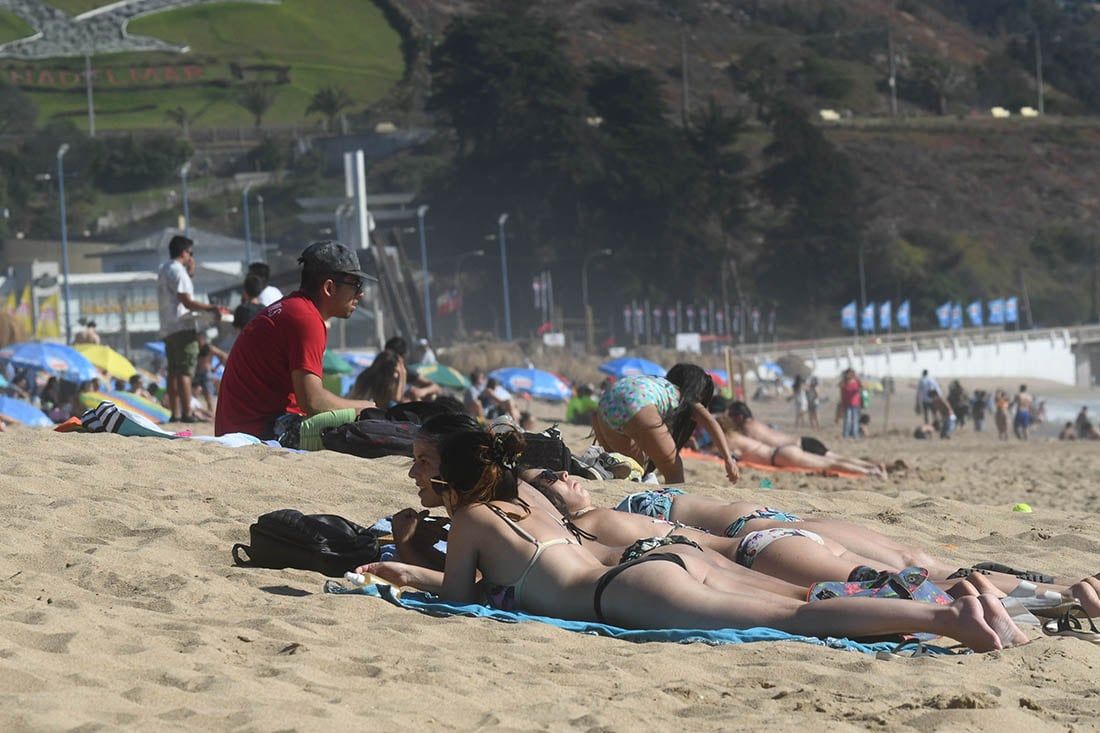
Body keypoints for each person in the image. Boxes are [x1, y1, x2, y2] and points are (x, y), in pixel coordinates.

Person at [361, 427, 1027, 652]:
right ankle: (977, 602)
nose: (415, 473)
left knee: (799, 615)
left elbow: (463, 601)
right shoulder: (528, 494)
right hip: (664, 556)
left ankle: (949, 616)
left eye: (422, 462)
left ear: (451, 469)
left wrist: (408, 570)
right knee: (807, 594)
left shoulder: (474, 519)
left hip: (629, 592)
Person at [214, 241, 376, 439]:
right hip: (257, 434)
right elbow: (313, 402)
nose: (361, 293)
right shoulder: (306, 319)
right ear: (329, 287)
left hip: (240, 428)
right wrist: (362, 407)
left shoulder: (293, 308)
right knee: (367, 429)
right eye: (356, 285)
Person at [593, 364, 739, 484]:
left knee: (633, 467)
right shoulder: (682, 395)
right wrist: (728, 459)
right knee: (674, 470)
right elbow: (710, 422)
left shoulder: (656, 382)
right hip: (638, 401)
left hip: (605, 405)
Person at [157, 235, 228, 423]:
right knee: (185, 371)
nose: (191, 257)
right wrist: (211, 308)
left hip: (168, 328)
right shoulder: (178, 271)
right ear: (184, 252)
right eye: (191, 253)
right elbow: (186, 301)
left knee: (172, 372)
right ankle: (188, 413)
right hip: (183, 327)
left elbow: (175, 295)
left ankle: (175, 413)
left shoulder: (164, 269)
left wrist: (190, 273)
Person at [384, 336, 441, 401]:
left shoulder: (428, 355)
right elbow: (397, 398)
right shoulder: (381, 374)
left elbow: (436, 387)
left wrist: (422, 391)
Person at [838, 369, 862, 439]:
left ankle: (855, 434)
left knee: (855, 420)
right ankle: (845, 435)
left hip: (855, 403)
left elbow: (861, 388)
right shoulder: (844, 382)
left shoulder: (857, 381)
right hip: (847, 404)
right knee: (847, 419)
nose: (850, 375)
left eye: (851, 373)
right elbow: (840, 387)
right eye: (849, 373)